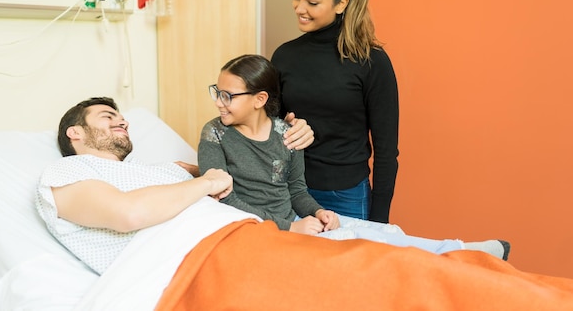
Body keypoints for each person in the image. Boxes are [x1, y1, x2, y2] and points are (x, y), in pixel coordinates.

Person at [35, 97, 573, 311]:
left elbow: (242, 172)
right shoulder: (66, 173)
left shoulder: (163, 170)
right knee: (386, 278)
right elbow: (129, 216)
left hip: (253, 239)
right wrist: (204, 184)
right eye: (107, 117)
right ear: (76, 134)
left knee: (390, 262)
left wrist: (293, 137)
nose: (121, 120)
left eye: (120, 114)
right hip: (200, 266)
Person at [198, 54, 509, 259]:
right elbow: (226, 200)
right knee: (366, 247)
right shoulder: (215, 135)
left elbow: (296, 191)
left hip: (296, 222)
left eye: (228, 96)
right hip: (260, 232)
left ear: (259, 99)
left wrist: (319, 212)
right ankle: (460, 253)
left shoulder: (287, 134)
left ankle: (461, 252)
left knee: (384, 233)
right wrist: (288, 228)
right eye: (218, 92)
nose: (219, 103)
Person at [271, 0, 398, 223]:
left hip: (346, 196)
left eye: (312, 1)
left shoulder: (371, 62)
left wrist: (378, 224)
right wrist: (284, 125)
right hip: (291, 190)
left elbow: (387, 153)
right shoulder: (285, 56)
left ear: (341, 4)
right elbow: (266, 128)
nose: (299, 8)